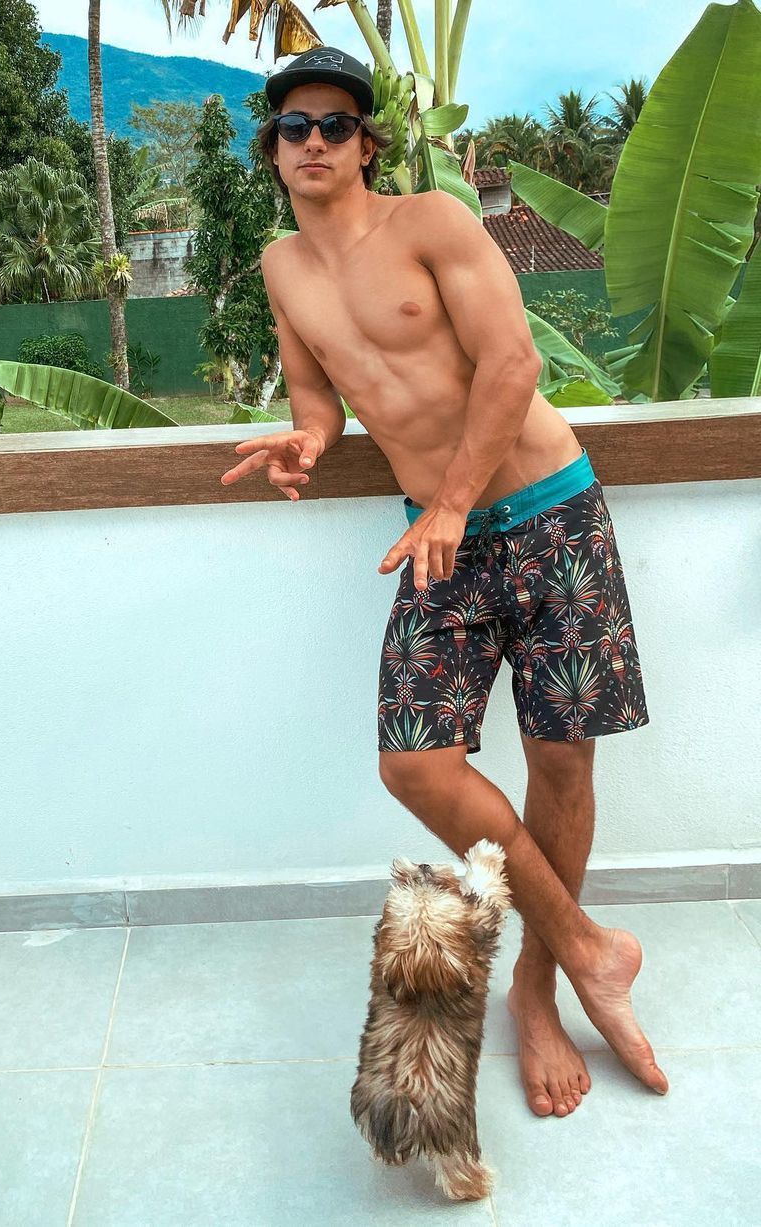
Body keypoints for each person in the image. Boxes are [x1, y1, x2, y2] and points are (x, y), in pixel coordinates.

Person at [219, 46, 668, 1118]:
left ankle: (538, 993)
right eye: (295, 126)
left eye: (336, 124)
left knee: (562, 764)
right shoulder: (282, 267)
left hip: (547, 510)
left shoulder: (431, 223)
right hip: (441, 533)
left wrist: (455, 502)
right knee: (415, 763)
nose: (315, 140)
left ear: (367, 144)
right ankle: (592, 948)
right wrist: (307, 439)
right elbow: (321, 394)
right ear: (273, 149)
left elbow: (514, 364)